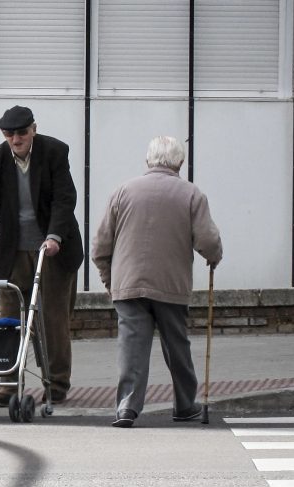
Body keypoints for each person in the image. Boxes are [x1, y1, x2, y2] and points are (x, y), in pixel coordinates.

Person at [91, 136, 223, 428]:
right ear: (180, 162)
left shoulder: (123, 192)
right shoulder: (191, 194)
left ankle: (127, 407)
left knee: (131, 347)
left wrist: (110, 281)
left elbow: (100, 245)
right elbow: (207, 240)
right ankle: (185, 405)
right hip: (171, 285)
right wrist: (214, 256)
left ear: (148, 161)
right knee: (177, 345)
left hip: (128, 284)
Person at [0, 105, 83, 407]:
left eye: (22, 133)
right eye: (9, 134)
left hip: (52, 251)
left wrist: (53, 237)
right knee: (9, 318)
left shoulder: (54, 152)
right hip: (14, 251)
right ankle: (8, 383)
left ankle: (57, 383)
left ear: (33, 130)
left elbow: (65, 199)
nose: (16, 139)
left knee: (53, 319)